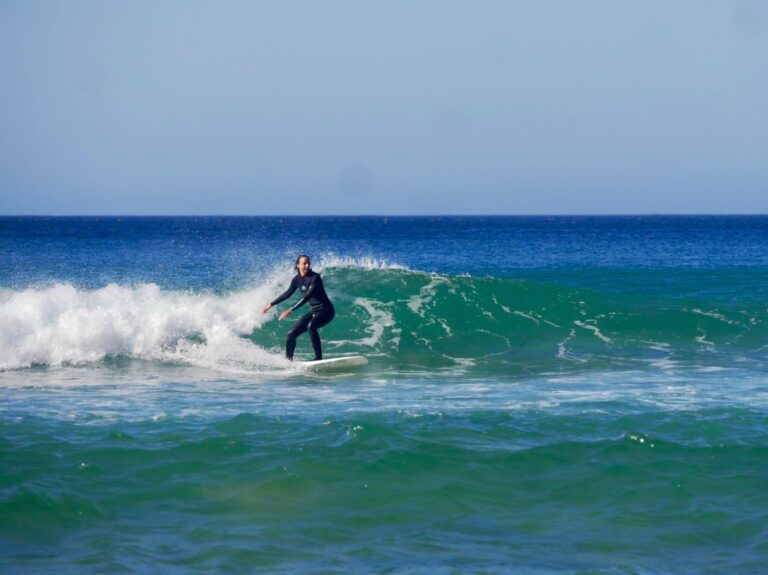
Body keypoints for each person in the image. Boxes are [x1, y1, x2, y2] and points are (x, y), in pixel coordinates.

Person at [262, 255, 335, 361]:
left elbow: (307, 297)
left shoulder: (315, 277)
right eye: (304, 263)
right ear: (298, 265)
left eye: (308, 263)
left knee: (311, 326)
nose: (307, 265)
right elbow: (287, 293)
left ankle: (318, 358)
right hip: (315, 311)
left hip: (326, 310)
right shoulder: (296, 279)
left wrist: (290, 309)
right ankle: (288, 361)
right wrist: (271, 304)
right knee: (291, 334)